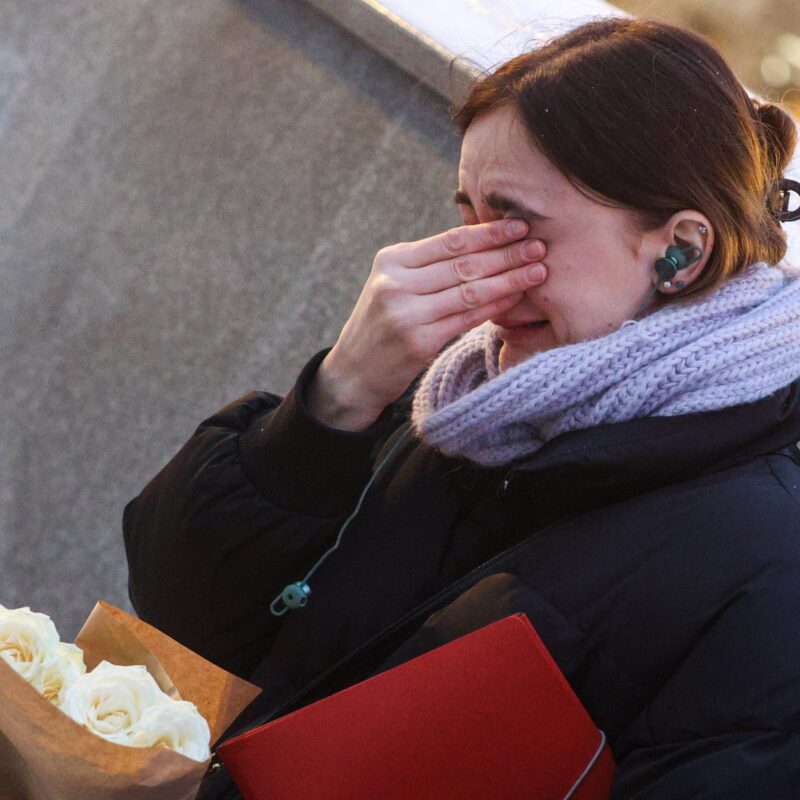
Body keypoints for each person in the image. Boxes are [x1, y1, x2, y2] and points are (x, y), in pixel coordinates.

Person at [123, 16, 800, 798]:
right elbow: (182, 618)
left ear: (681, 251)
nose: (477, 267)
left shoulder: (769, 562)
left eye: (515, 227)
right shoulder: (456, 402)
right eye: (468, 216)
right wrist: (334, 399)